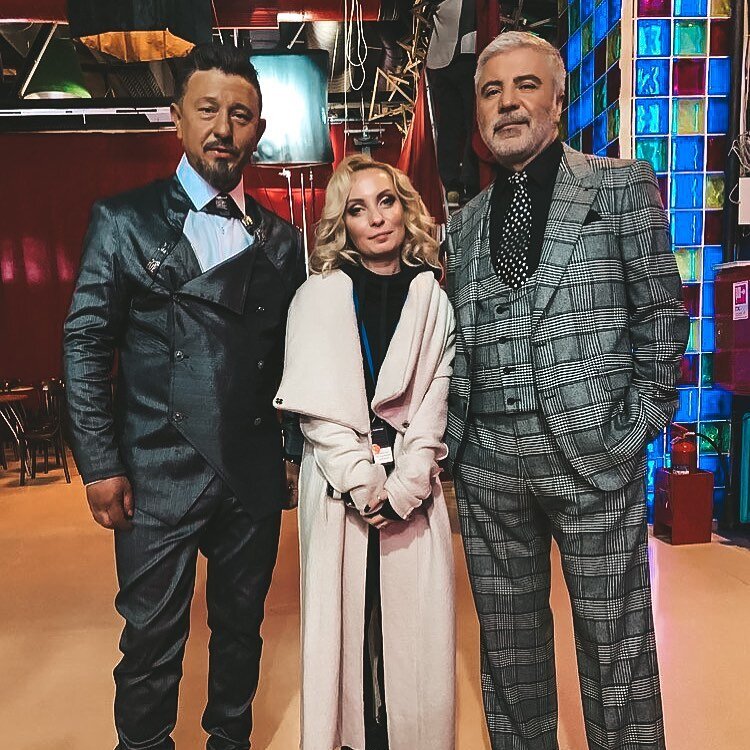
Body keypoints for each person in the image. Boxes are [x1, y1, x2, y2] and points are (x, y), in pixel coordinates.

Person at [444, 31, 689, 750]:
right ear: (478, 112)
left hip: (594, 456)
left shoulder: (619, 186)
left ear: (557, 99)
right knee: (508, 656)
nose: (507, 103)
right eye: (491, 90)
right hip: (489, 465)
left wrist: (636, 426)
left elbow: (661, 315)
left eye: (525, 85)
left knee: (618, 653)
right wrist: (459, 444)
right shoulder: (463, 224)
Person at [63, 43, 306, 750]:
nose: (223, 129)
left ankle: (231, 740)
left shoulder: (283, 241)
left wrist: (292, 453)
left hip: (251, 469)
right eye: (207, 110)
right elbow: (85, 342)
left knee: (241, 632)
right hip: (154, 471)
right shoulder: (123, 220)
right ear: (177, 118)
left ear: (259, 130)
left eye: (240, 115)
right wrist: (100, 463)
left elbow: (294, 359)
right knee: (150, 639)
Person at [274, 154, 456, 750]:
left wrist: (406, 486)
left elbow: (435, 399)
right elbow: (317, 409)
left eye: (386, 201)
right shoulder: (317, 296)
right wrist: (361, 481)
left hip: (413, 488)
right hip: (338, 488)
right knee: (346, 631)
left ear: (406, 209)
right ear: (342, 223)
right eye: (358, 208)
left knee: (412, 637)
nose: (376, 218)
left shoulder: (432, 297)